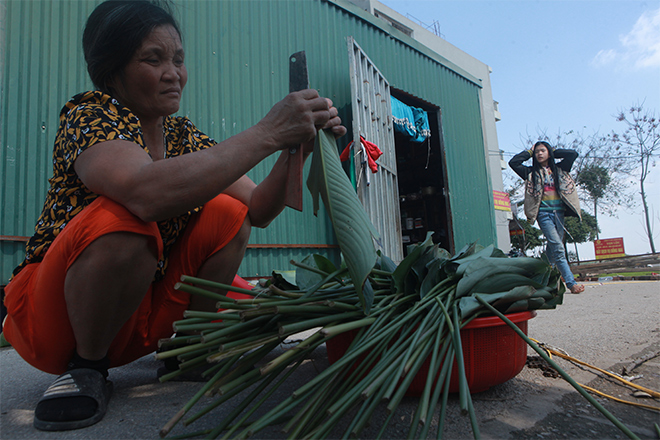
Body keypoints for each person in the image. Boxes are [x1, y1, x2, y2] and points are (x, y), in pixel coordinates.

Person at [2, 0, 346, 431]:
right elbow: (144, 192)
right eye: (154, 59)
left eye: (178, 60)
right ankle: (85, 368)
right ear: (112, 69)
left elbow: (257, 209)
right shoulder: (90, 114)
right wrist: (268, 131)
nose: (173, 72)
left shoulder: (182, 135)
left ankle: (186, 348)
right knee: (126, 219)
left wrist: (295, 146)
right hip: (54, 319)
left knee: (228, 212)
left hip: (134, 317)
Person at [509, 141, 585, 294]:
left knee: (552, 251)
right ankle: (571, 283)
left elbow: (572, 154)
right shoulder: (530, 172)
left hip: (559, 213)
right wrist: (529, 152)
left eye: (543, 151)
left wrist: (553, 151)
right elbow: (513, 162)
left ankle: (542, 281)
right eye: (537, 152)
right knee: (558, 247)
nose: (539, 154)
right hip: (543, 214)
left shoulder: (560, 169)